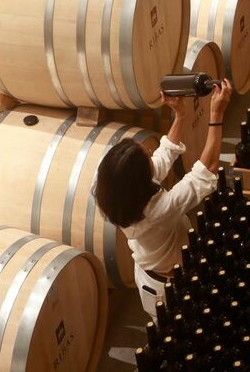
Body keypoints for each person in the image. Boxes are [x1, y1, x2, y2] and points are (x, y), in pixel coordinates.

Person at [94, 79, 232, 320]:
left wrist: (180, 115)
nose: (150, 152)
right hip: (170, 285)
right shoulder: (158, 211)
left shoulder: (113, 192)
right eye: (146, 155)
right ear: (139, 179)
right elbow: (206, 172)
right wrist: (216, 114)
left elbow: (164, 155)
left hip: (148, 274)